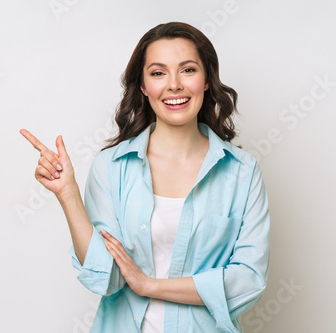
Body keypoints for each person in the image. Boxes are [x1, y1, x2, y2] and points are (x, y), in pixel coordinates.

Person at [20, 21, 270, 333]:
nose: (174, 85)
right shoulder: (111, 166)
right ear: (142, 86)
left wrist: (148, 285)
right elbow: (104, 278)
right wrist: (68, 194)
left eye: (188, 70)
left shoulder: (242, 172)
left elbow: (248, 282)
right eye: (158, 72)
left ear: (206, 80)